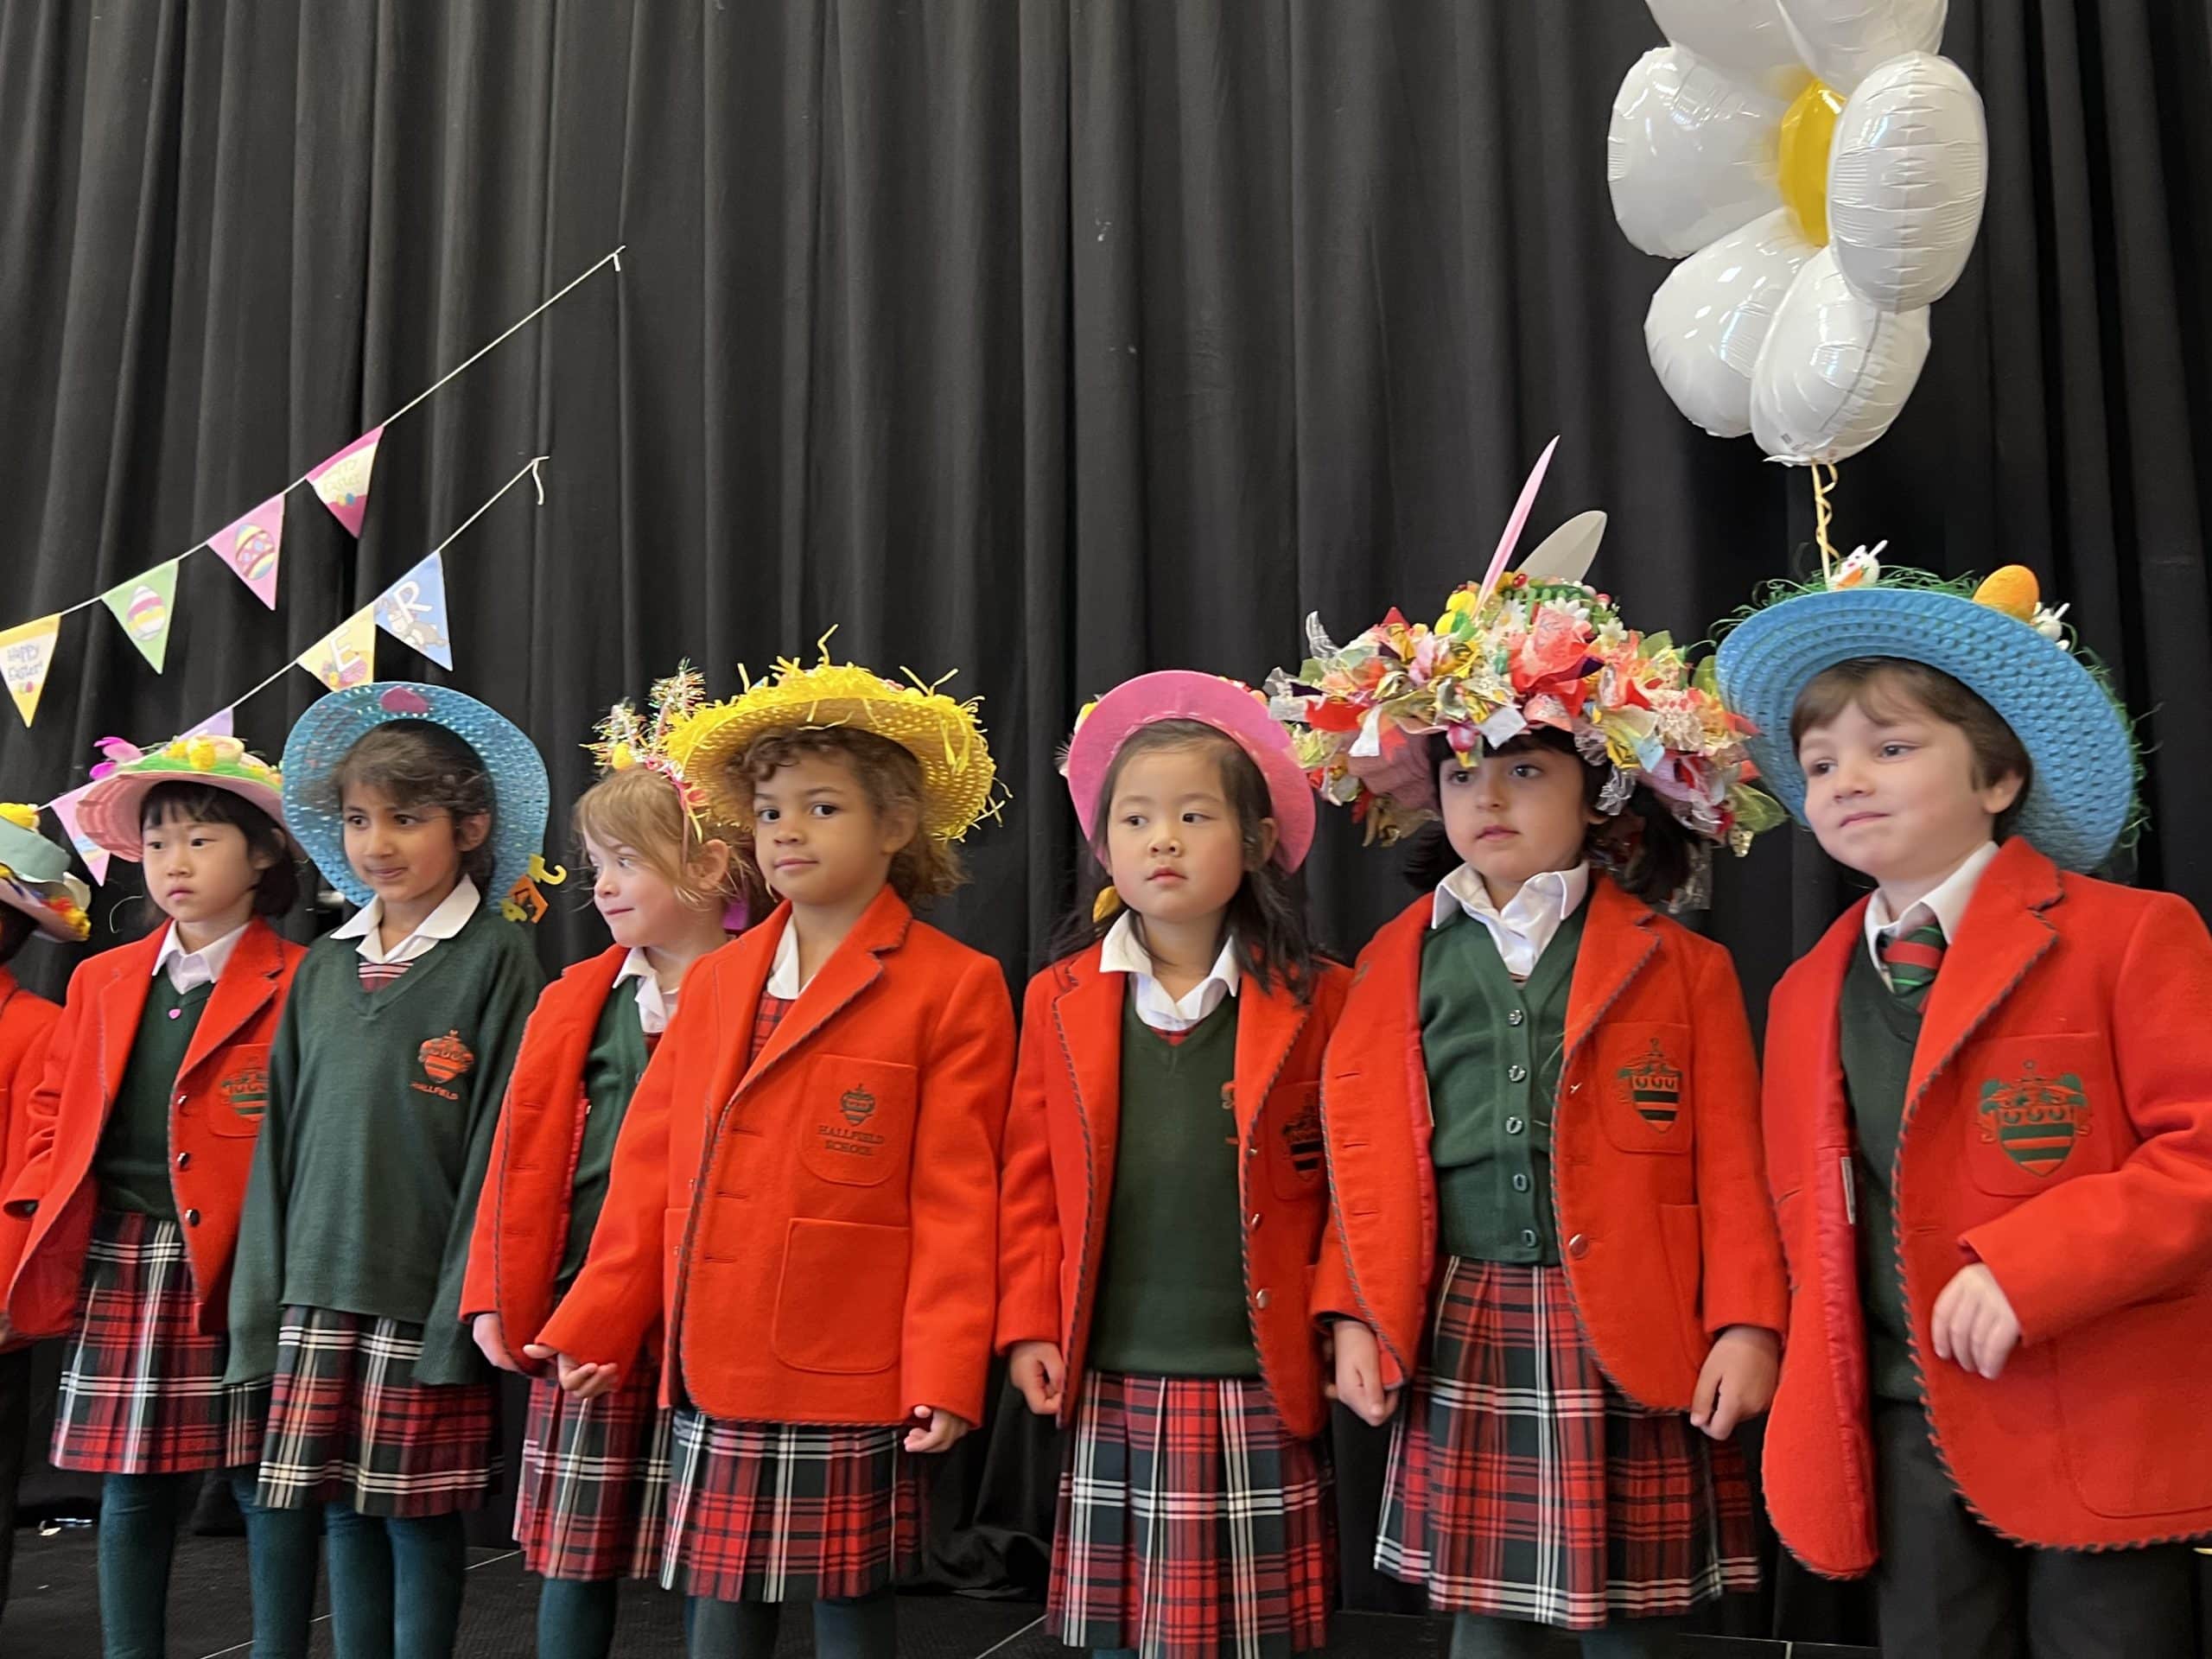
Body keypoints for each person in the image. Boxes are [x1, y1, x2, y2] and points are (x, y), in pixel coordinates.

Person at [1715, 553, 2212, 1657]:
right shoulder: (1804, 994)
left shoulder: (2130, 936)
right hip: (1902, 1429)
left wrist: (2027, 1267)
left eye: (1891, 749)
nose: (1845, 780)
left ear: (1997, 781)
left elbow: (2201, 1155)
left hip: (2100, 1420)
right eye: (1819, 762)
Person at [528, 651, 1014, 1659]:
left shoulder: (954, 985)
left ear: (896, 825)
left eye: (822, 807)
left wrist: (945, 1366)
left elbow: (963, 1198)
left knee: (849, 1609)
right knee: (721, 1602)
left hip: (852, 1354)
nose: (787, 829)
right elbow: (648, 1171)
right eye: (769, 810)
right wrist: (603, 1318)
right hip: (718, 1347)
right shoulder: (717, 981)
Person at [999, 671, 1350, 1658]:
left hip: (1259, 1371)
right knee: (1119, 1630)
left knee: (1258, 1634)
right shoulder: (1057, 1000)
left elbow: (1356, 1192)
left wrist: (1341, 1315)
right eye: (1137, 818)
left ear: (1258, 841)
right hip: (1109, 1365)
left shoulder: (1325, 1000)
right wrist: (1029, 1320)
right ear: (1104, 845)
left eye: (1194, 815)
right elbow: (1027, 1183)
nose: (1162, 839)